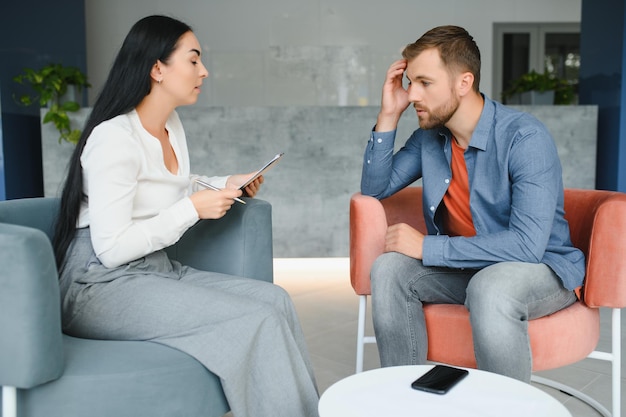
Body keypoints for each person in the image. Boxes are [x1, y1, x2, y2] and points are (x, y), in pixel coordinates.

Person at [52, 15, 319, 417]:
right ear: (157, 69)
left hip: (152, 269)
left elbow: (171, 187)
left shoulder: (170, 125)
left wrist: (228, 182)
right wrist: (191, 210)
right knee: (256, 318)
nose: (204, 71)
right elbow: (110, 249)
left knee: (275, 301)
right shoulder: (113, 139)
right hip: (98, 283)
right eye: (193, 60)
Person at [361, 25, 585, 383]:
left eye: (425, 82)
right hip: (469, 270)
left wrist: (427, 246)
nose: (413, 94)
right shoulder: (430, 138)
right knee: (388, 269)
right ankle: (403, 401)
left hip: (540, 269)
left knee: (491, 286)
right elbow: (375, 188)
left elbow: (527, 246)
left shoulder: (524, 137)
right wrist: (389, 115)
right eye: (410, 82)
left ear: (464, 83)